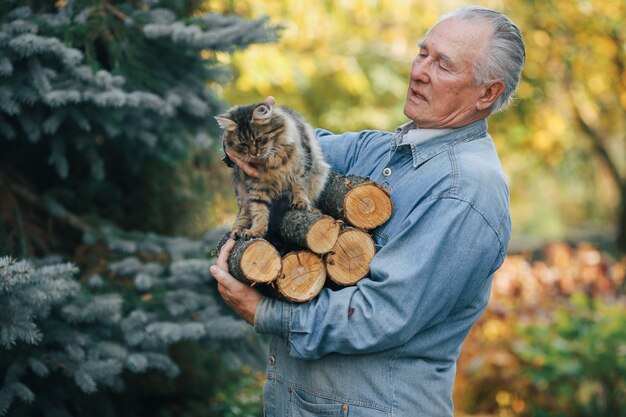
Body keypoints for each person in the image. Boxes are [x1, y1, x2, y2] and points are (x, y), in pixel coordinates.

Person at [210, 5, 525, 416]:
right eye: (422, 52)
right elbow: (303, 148)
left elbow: (382, 316)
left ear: (488, 93)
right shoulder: (385, 149)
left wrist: (266, 313)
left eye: (444, 64)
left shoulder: (465, 189)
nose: (419, 71)